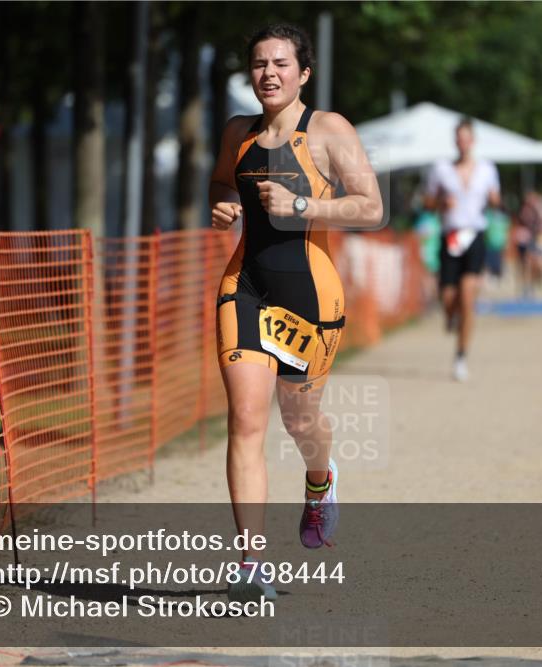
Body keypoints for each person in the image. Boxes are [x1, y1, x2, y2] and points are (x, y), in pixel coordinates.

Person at [207, 23, 382, 601]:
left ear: (303, 73)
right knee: (245, 419)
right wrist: (224, 206)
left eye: (280, 63)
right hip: (245, 287)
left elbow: (371, 208)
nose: (269, 74)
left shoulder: (329, 130)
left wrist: (302, 203)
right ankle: (250, 565)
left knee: (300, 421)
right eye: (259, 64)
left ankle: (320, 481)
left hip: (309, 297)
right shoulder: (237, 131)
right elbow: (221, 185)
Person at [423, 118, 501, 381]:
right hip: (452, 235)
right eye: (459, 138)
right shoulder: (441, 169)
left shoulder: (487, 169)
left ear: (473, 141)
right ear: (455, 141)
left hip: (474, 234)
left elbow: (496, 200)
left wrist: (494, 200)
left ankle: (461, 357)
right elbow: (428, 203)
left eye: (467, 138)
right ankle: (451, 317)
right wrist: (441, 203)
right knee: (448, 298)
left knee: (468, 296)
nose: (463, 143)